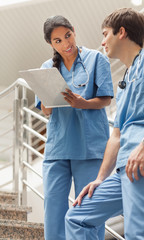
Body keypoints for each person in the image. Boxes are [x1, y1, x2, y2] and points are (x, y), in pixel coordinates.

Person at [65, 8, 144, 240]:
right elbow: (116, 136)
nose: (102, 40)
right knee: (77, 217)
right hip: (121, 170)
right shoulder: (124, 82)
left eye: (105, 33)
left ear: (122, 32)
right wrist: (100, 178)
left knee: (140, 234)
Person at [35, 15, 114, 240]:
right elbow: (46, 111)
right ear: (51, 44)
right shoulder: (46, 68)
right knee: (53, 208)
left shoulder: (96, 59)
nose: (65, 43)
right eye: (57, 40)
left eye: (67, 36)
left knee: (89, 211)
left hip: (90, 147)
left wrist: (83, 103)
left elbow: (106, 98)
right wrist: (46, 99)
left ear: (74, 31)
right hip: (58, 148)